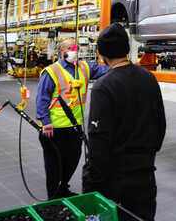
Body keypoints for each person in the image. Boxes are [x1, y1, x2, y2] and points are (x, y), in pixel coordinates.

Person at [83, 23, 166, 220]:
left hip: (116, 180)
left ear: (102, 54)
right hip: (145, 175)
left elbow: (98, 142)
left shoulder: (103, 87)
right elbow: (160, 125)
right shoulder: (148, 78)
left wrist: (92, 184)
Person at [36, 38, 109, 198]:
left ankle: (63, 189)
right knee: (54, 165)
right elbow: (42, 99)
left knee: (72, 161)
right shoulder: (51, 72)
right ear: (61, 51)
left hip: (75, 126)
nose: (73, 51)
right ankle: (54, 196)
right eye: (69, 48)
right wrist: (45, 122)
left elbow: (107, 70)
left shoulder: (84, 67)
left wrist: (122, 66)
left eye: (75, 47)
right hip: (54, 129)